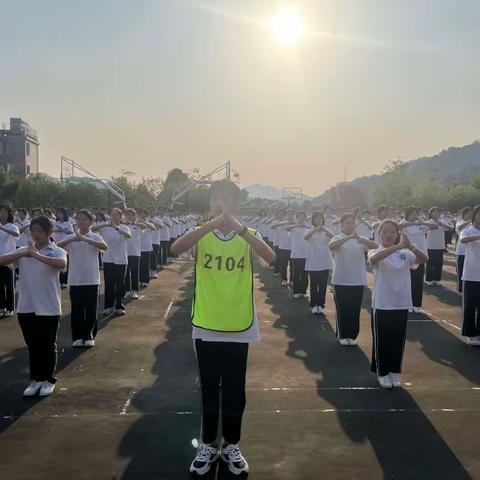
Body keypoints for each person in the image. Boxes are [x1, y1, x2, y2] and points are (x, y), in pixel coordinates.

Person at [171, 179, 275, 476]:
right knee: (208, 389)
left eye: (227, 199)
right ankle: (207, 444)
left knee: (234, 390)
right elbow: (176, 248)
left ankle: (232, 445)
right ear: (210, 203)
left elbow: (270, 257)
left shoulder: (248, 235)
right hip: (207, 323)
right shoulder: (201, 236)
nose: (222, 204)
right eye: (216, 198)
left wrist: (238, 226)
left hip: (239, 324)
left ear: (237, 204)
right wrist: (212, 223)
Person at [0, 216, 67, 397]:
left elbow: (61, 265)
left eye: (40, 231)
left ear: (49, 233)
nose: (36, 234)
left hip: (49, 306)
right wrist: (23, 253)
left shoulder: (57, 250)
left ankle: (48, 379)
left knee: (47, 344)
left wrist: (36, 255)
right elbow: (2, 260)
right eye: (33, 231)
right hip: (26, 306)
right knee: (33, 345)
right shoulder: (24, 250)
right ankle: (36, 379)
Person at [369, 220, 428, 388]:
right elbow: (374, 259)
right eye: (385, 232)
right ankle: (382, 372)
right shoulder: (375, 250)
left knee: (397, 340)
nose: (388, 235)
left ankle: (393, 371)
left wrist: (411, 247)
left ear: (397, 235)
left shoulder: (405, 253)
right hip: (382, 303)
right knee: (382, 340)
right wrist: (397, 246)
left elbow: (424, 259)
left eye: (392, 232)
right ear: (379, 234)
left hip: (401, 303)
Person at [57, 210, 107, 347]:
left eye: (84, 219)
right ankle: (77, 337)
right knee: (77, 309)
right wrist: (73, 238)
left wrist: (85, 239)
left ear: (91, 222)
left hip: (92, 279)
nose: (81, 221)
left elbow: (104, 247)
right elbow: (56, 247)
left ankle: (89, 335)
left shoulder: (95, 237)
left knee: (91, 309)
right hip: (75, 279)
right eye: (78, 219)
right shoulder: (72, 237)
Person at [329, 213, 377, 346]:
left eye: (352, 223)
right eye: (347, 223)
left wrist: (359, 238)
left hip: (357, 279)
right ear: (342, 225)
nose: (350, 225)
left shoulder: (360, 239)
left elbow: (375, 246)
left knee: (355, 309)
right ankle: (343, 335)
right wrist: (349, 237)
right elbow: (331, 246)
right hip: (341, 279)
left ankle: (353, 335)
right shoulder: (337, 237)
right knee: (343, 308)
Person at [93, 208, 131, 315]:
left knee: (120, 284)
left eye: (116, 215)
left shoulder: (124, 227)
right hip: (108, 259)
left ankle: (119, 305)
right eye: (112, 215)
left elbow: (128, 236)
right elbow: (91, 229)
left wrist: (116, 228)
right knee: (109, 284)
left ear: (121, 216)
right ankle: (108, 306)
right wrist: (105, 225)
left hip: (121, 260)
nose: (114, 217)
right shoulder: (105, 228)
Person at [399, 207, 429, 313]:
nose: (414, 216)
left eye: (416, 214)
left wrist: (421, 222)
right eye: (412, 214)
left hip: (420, 255)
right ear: (407, 214)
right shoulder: (403, 223)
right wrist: (410, 223)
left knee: (418, 281)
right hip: (408, 255)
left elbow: (433, 226)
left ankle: (416, 305)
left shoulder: (420, 224)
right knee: (408, 281)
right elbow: (398, 226)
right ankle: (407, 304)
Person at [304, 212, 333, 314]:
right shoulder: (309, 230)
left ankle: (320, 304)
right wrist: (315, 230)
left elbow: (333, 237)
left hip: (324, 262)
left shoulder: (327, 230)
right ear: (313, 220)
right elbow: (305, 237)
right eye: (316, 218)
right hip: (313, 262)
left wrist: (323, 229)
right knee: (313, 284)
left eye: (320, 218)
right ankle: (313, 304)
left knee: (323, 285)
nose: (319, 220)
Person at [459, 205, 480, 346]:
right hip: (471, 274)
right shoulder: (468, 230)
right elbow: (463, 240)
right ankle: (471, 334)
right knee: (469, 306)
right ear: (474, 216)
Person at [0, 205, 20, 317]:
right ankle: (1, 307)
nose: (2, 214)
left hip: (9, 259)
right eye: (0, 212)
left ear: (9, 214)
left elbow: (16, 234)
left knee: (9, 285)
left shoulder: (12, 226)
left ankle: (10, 308)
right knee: (0, 285)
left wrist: (1, 228)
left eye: (4, 212)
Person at [425, 207, 451, 286]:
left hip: (440, 246)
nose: (436, 214)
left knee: (439, 264)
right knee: (430, 263)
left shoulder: (442, 221)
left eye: (437, 212)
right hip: (430, 245)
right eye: (434, 212)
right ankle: (429, 279)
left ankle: (437, 279)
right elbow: (426, 229)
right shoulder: (428, 222)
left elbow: (450, 228)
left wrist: (441, 224)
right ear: (431, 213)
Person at [287, 211, 310, 298]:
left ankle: (304, 291)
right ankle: (296, 291)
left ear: (305, 218)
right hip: (296, 254)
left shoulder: (308, 228)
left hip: (306, 254)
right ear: (297, 218)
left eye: (303, 217)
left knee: (305, 274)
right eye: (299, 217)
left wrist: (305, 226)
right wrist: (297, 225)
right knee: (296, 274)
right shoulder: (293, 228)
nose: (301, 219)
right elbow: (287, 228)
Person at [53, 207, 74, 288]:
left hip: (65, 245)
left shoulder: (68, 223)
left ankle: (64, 281)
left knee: (65, 263)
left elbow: (71, 233)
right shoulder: (55, 223)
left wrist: (62, 230)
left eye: (61, 213)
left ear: (64, 214)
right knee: (57, 262)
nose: (60, 215)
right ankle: (58, 281)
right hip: (56, 244)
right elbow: (51, 232)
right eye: (58, 213)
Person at [124, 208, 142, 299]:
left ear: (135, 216)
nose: (130, 216)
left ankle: (134, 291)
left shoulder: (138, 225)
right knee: (126, 273)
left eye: (132, 215)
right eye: (128, 215)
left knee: (135, 272)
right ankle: (126, 290)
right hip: (124, 252)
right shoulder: (123, 226)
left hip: (135, 252)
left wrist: (132, 223)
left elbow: (145, 226)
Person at [455, 207, 473, 294]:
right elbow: (459, 228)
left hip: (471, 252)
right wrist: (469, 222)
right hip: (461, 251)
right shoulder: (459, 222)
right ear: (464, 214)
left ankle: (468, 289)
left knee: (469, 271)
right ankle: (460, 289)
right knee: (461, 270)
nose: (470, 215)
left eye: (471, 213)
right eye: (468, 213)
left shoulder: (474, 224)